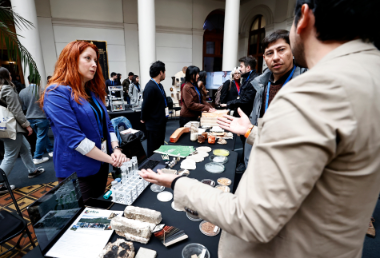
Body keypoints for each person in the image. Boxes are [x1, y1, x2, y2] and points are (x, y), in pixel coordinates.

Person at [139, 0, 380, 257]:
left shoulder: (315, 89)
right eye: (269, 52)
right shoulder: (370, 73)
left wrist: (178, 183)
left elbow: (250, 218)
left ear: (305, 17)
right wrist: (252, 132)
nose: (275, 57)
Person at [41, 41, 128, 201]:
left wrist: (116, 150)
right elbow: (75, 139)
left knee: (99, 207)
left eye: (95, 60)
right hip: (77, 169)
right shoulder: (55, 92)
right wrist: (112, 159)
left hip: (100, 164)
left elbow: (108, 125)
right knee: (82, 217)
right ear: (71, 59)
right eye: (88, 58)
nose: (94, 64)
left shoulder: (92, 92)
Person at [240, 30, 307, 171]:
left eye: (281, 50)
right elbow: (256, 125)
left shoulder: (306, 83)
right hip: (261, 160)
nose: (275, 57)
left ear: (293, 50)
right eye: (270, 53)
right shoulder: (262, 86)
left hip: (289, 167)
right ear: (264, 58)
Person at [0, 67, 45, 195]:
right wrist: (27, 125)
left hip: (1, 127)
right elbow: (17, 110)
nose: (11, 77)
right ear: (6, 77)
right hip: (12, 128)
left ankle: (32, 170)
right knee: (10, 156)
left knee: (25, 148)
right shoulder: (7, 90)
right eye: (9, 75)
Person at [19, 75, 54, 165]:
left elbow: (22, 107)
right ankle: (37, 157)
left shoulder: (22, 92)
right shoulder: (42, 90)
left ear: (28, 81)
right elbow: (48, 104)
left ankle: (50, 150)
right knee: (41, 136)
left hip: (29, 117)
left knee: (41, 135)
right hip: (41, 117)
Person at [140, 61, 168, 157]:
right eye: (164, 71)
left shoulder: (159, 85)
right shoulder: (150, 87)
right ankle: (151, 169)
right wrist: (143, 118)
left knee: (160, 149)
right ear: (160, 72)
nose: (165, 74)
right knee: (153, 151)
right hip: (153, 125)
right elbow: (145, 105)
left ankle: (158, 168)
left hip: (160, 123)